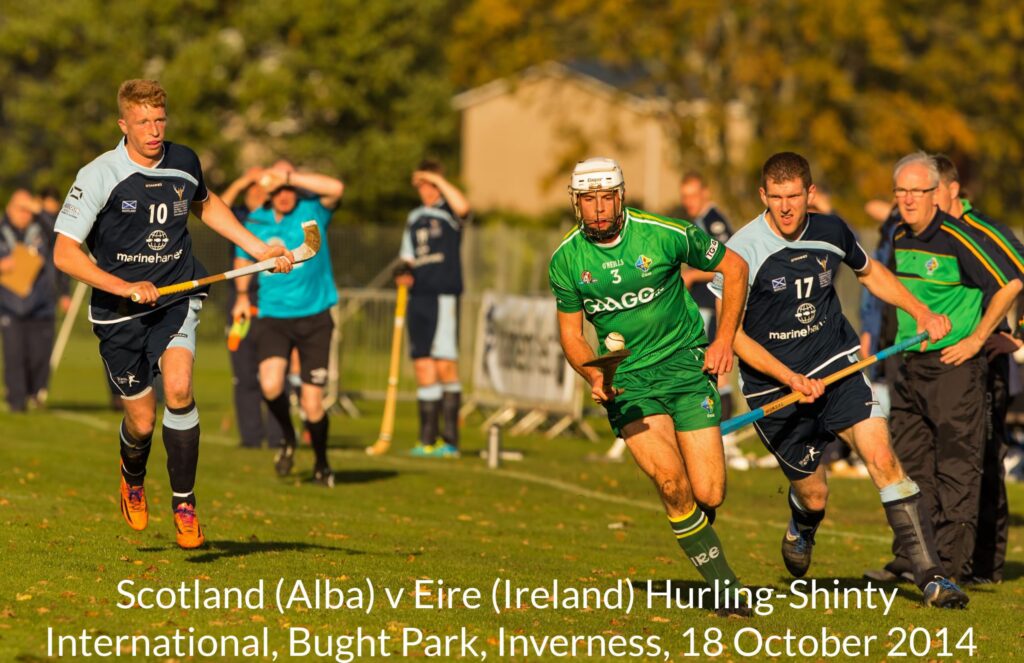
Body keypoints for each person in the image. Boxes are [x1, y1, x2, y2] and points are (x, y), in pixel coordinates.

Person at [710, 152, 968, 608]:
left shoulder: (831, 230)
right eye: (777, 198)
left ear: (809, 194)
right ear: (762, 196)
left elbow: (872, 275)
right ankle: (802, 525)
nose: (786, 208)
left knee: (882, 457)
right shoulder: (742, 251)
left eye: (794, 197)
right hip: (775, 388)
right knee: (814, 494)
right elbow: (731, 336)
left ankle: (932, 577)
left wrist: (921, 311)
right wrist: (789, 377)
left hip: (838, 366)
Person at [53, 79, 294, 549]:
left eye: (160, 119)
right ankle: (132, 477)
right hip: (118, 310)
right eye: (143, 122)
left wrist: (259, 248)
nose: (154, 130)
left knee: (180, 387)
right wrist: (124, 286)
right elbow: (64, 254)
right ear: (124, 124)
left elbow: (208, 205)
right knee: (141, 421)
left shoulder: (184, 161)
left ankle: (185, 504)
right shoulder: (99, 174)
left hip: (177, 293)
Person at [549, 157, 751, 613]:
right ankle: (724, 587)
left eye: (605, 198)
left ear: (620, 197)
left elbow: (735, 269)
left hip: (685, 369)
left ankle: (696, 533)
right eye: (588, 200)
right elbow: (570, 334)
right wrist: (594, 372)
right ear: (576, 203)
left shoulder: (666, 233)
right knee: (669, 481)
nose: (598, 209)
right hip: (631, 384)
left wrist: (723, 340)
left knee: (709, 493)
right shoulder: (566, 260)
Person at [875, 151, 1021, 584]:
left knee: (957, 469)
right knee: (912, 469)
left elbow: (1012, 280)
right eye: (900, 191)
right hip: (910, 367)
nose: (907, 199)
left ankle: (952, 570)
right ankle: (914, 561)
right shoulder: (900, 234)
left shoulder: (963, 235)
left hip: (955, 370)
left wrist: (978, 339)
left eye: (917, 191)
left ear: (937, 193)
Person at [932, 155, 1021, 584]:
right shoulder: (930, 234)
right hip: (944, 366)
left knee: (984, 455)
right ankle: (937, 558)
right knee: (943, 460)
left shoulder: (982, 230)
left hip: (986, 362)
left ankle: (986, 564)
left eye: (929, 190)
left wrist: (1018, 336)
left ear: (951, 189)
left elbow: (1019, 276)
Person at [232, 160, 344, 486]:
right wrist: (241, 297)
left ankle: (322, 463)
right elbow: (242, 258)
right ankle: (288, 437)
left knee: (312, 403)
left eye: (289, 188)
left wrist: (290, 175)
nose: (284, 194)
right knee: (270, 385)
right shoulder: (257, 220)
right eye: (277, 188)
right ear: (268, 192)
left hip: (315, 317)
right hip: (273, 317)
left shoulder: (313, 211)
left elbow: (337, 188)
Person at [394, 159, 470, 458]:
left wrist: (436, 180)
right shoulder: (415, 217)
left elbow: (464, 208)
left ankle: (449, 440)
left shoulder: (449, 211)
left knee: (445, 364)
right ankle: (427, 439)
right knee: (423, 364)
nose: (425, 190)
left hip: (443, 294)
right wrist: (402, 271)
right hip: (419, 296)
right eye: (421, 185)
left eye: (430, 184)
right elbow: (407, 256)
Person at [219, 168, 283, 450]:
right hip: (240, 305)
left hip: (272, 305)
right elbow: (219, 203)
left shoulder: (279, 220)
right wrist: (244, 179)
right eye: (252, 189)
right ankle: (251, 437)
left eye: (262, 189)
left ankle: (279, 435)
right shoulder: (238, 218)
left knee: (275, 373)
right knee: (244, 374)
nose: (257, 192)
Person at [675, 173, 739, 445]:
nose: (689, 201)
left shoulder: (714, 222)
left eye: (693, 195)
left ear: (705, 192)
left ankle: (728, 437)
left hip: (712, 305)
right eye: (685, 196)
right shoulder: (696, 221)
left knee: (717, 370)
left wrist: (691, 276)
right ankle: (715, 433)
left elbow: (728, 262)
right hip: (700, 305)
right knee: (706, 370)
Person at [0, 189, 63, 411]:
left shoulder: (42, 229)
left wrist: (41, 212)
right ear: (9, 207)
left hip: (41, 306)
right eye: (21, 208)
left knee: (39, 357)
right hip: (9, 306)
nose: (25, 214)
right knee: (15, 356)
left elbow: (62, 234)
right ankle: (16, 402)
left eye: (29, 210)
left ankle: (34, 392)